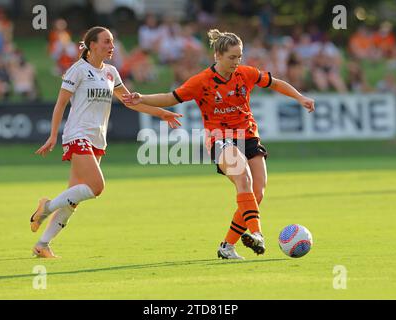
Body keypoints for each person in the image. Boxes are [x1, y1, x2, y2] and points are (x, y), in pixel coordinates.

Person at [122, 29, 315, 260]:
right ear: (217, 56)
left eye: (240, 56)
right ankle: (257, 234)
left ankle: (227, 247)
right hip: (220, 138)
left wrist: (300, 97)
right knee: (242, 177)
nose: (237, 62)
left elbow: (275, 83)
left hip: (249, 136)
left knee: (258, 192)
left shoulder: (246, 73)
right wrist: (141, 98)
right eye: (232, 57)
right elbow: (171, 97)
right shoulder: (201, 81)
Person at [30, 26, 182, 258]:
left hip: (97, 139)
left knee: (73, 198)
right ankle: (46, 207)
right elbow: (60, 104)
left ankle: (43, 244)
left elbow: (130, 101)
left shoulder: (111, 72)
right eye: (107, 42)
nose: (112, 46)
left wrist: (162, 113)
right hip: (77, 134)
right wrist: (53, 135)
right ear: (92, 45)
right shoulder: (78, 70)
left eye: (112, 42)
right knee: (97, 187)